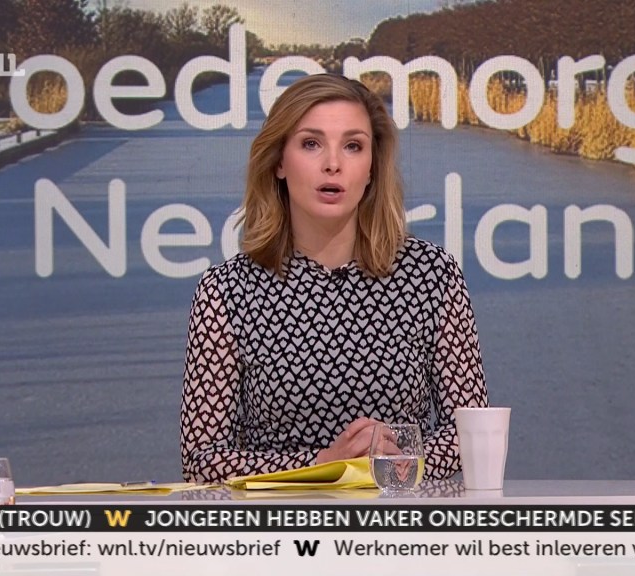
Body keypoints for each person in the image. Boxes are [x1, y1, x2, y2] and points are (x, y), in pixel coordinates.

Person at [180, 73, 487, 483]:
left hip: (398, 516)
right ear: (279, 162)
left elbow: (471, 433)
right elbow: (201, 460)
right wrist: (325, 465)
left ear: (373, 167)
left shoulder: (432, 275)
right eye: (311, 143)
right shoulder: (227, 290)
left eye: (353, 146)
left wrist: (391, 461)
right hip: (282, 519)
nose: (333, 164)